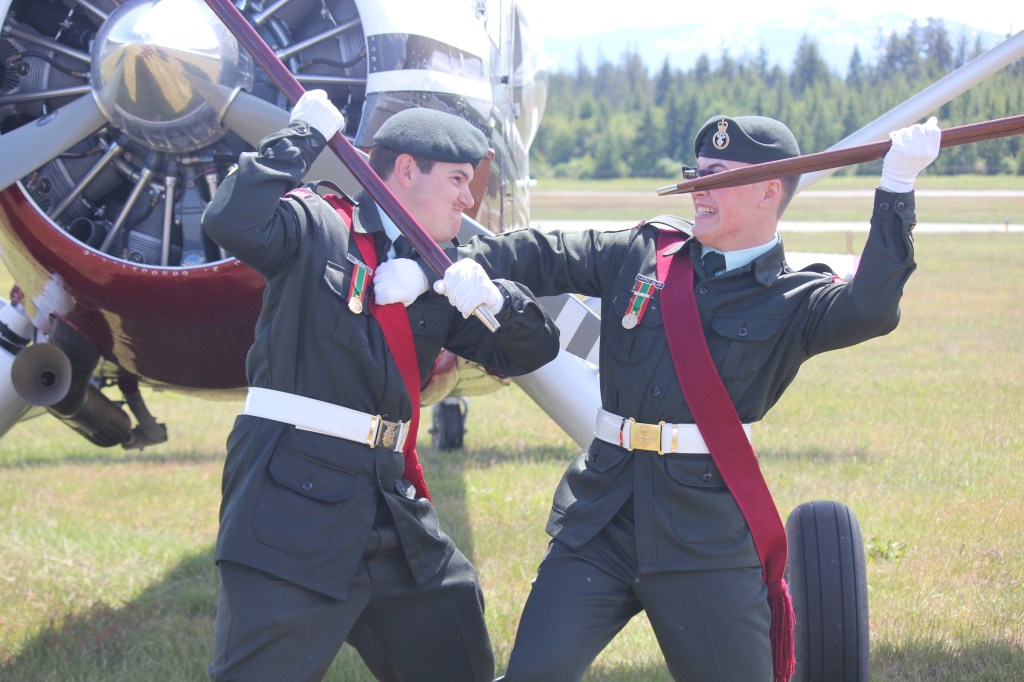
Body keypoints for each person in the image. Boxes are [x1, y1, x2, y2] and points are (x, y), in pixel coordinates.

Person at [375, 113, 941, 680]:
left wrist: (896, 185)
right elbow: (539, 253)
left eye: (718, 177)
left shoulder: (796, 299)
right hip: (602, 517)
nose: (698, 189)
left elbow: (871, 308)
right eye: (697, 173)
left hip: (703, 535)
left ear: (769, 191)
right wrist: (435, 269)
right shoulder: (643, 252)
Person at [201, 90, 560, 682]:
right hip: (292, 501)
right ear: (407, 170)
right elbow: (232, 220)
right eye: (457, 180)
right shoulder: (320, 226)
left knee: (455, 646)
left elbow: (530, 351)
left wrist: (497, 298)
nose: (469, 199)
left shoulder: (438, 268)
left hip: (389, 507)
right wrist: (299, 138)